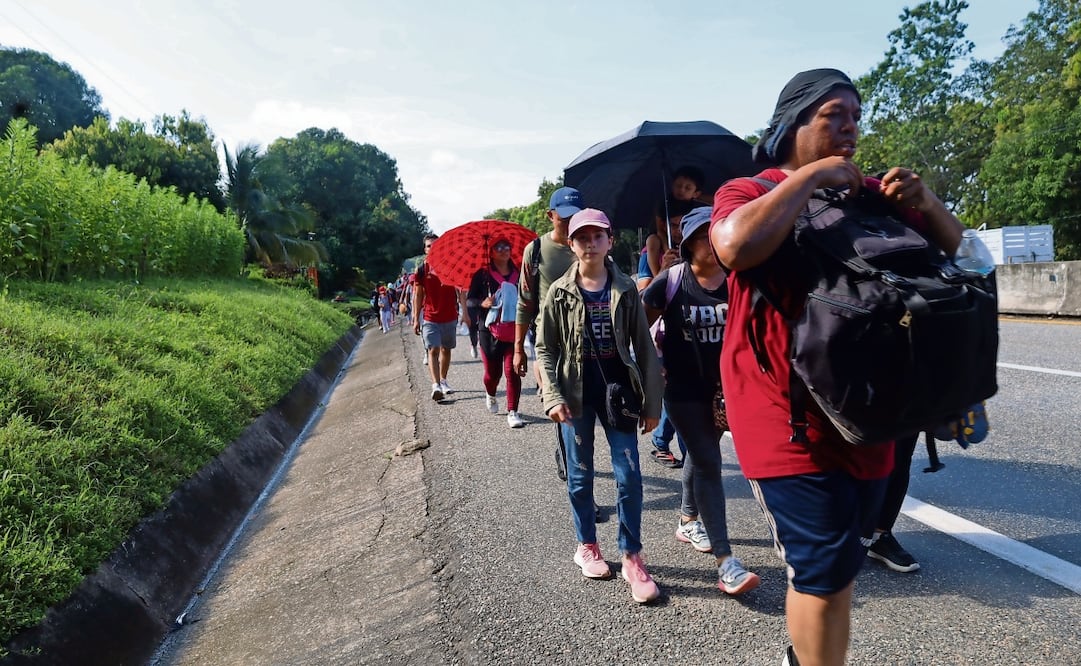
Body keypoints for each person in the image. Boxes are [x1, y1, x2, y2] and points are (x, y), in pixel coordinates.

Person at [710, 68, 964, 666]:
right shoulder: (750, 190)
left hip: (870, 409)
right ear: (793, 124)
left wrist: (927, 202)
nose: (850, 127)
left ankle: (801, 656)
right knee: (822, 563)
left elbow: (964, 258)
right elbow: (733, 246)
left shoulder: (875, 197)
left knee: (841, 557)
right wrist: (808, 180)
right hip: (783, 412)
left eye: (856, 114)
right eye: (834, 115)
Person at [535, 207, 663, 604]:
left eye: (598, 236)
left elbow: (643, 347)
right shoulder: (559, 292)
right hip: (575, 392)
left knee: (629, 476)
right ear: (571, 244)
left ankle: (632, 555)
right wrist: (553, 396)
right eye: (582, 238)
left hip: (618, 391)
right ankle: (586, 544)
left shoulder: (625, 289)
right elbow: (545, 348)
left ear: (611, 241)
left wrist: (652, 404)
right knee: (580, 475)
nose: (590, 244)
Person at [642, 206, 760, 596]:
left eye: (721, 232)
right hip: (683, 389)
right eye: (707, 235)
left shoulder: (738, 280)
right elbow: (638, 326)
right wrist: (652, 365)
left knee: (700, 452)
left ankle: (687, 518)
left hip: (727, 390)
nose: (716, 240)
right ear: (691, 243)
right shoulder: (671, 281)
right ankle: (727, 562)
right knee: (709, 458)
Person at [637, 197, 696, 468]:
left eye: (683, 224)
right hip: (662, 334)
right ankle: (672, 445)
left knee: (686, 395)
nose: (679, 230)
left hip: (693, 332)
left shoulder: (696, 248)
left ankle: (685, 451)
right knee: (676, 393)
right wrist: (665, 269)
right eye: (673, 224)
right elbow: (644, 296)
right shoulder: (655, 248)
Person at [467, 237, 525, 428]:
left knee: (512, 370)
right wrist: (482, 303)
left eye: (507, 246)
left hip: (514, 328)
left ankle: (513, 411)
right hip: (489, 330)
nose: (504, 250)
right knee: (493, 375)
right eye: (498, 247)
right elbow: (470, 301)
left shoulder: (520, 273)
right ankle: (491, 394)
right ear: (491, 252)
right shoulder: (482, 275)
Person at [413, 233, 469, 401]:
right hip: (430, 317)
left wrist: (465, 312)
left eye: (435, 245)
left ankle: (443, 380)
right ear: (425, 249)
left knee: (446, 349)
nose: (432, 248)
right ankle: (435, 385)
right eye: (429, 246)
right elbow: (418, 295)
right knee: (433, 349)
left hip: (450, 315)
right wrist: (416, 318)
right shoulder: (422, 270)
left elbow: (460, 290)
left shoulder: (451, 266)